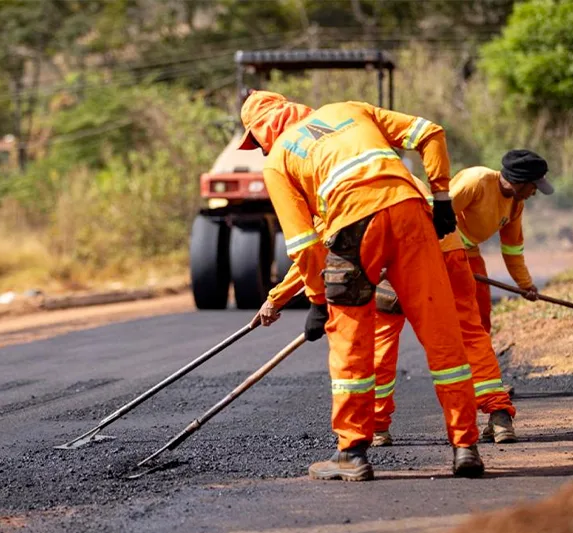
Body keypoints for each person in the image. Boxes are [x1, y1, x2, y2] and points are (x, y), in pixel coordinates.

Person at [237, 90, 484, 481]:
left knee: (350, 339)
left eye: (258, 142)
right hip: (410, 212)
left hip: (353, 227)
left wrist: (318, 302)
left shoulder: (279, 159)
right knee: (441, 331)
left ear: (261, 131)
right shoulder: (348, 109)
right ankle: (465, 446)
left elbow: (302, 242)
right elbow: (430, 132)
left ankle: (352, 453)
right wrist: (441, 198)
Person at [260, 178, 518, 447]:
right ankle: (498, 415)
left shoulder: (339, 186)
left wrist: (275, 300)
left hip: (401, 251)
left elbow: (312, 250)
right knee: (469, 334)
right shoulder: (391, 170)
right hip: (449, 250)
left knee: (382, 338)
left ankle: (378, 426)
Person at [451, 150, 553, 333]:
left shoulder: (516, 206)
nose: (534, 193)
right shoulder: (476, 181)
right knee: (451, 309)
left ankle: (479, 357)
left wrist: (525, 285)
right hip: (442, 247)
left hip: (469, 252)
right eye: (534, 187)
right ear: (520, 181)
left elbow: (512, 250)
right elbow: (434, 216)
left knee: (481, 307)